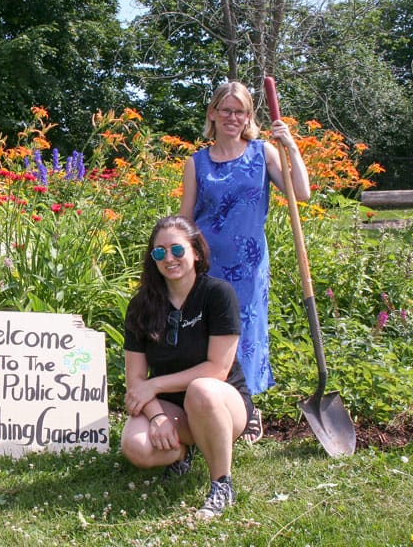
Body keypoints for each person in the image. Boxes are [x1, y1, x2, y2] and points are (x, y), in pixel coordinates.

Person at [179, 81, 310, 443]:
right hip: (207, 265)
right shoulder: (197, 163)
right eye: (226, 110)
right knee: (209, 333)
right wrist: (182, 260)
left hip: (249, 264)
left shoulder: (262, 153)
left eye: (240, 111)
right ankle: (214, 402)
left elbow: (301, 192)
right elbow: (186, 220)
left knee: (247, 334)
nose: (232, 117)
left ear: (248, 116)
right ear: (213, 114)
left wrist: (292, 148)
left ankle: (248, 407)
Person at [121, 215, 253, 520]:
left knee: (202, 389)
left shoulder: (217, 295)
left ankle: (222, 484)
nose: (169, 258)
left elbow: (217, 369)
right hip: (172, 407)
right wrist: (156, 418)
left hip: (221, 401)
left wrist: (154, 386)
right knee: (135, 445)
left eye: (177, 250)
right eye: (159, 252)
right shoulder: (142, 305)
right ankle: (183, 452)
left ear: (195, 251)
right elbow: (135, 380)